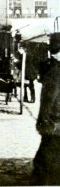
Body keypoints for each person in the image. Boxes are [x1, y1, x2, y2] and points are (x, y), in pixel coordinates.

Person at [33, 32, 60, 185]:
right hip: (55, 125)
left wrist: (43, 123)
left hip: (54, 126)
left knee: (44, 164)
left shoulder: (55, 72)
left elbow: (49, 100)